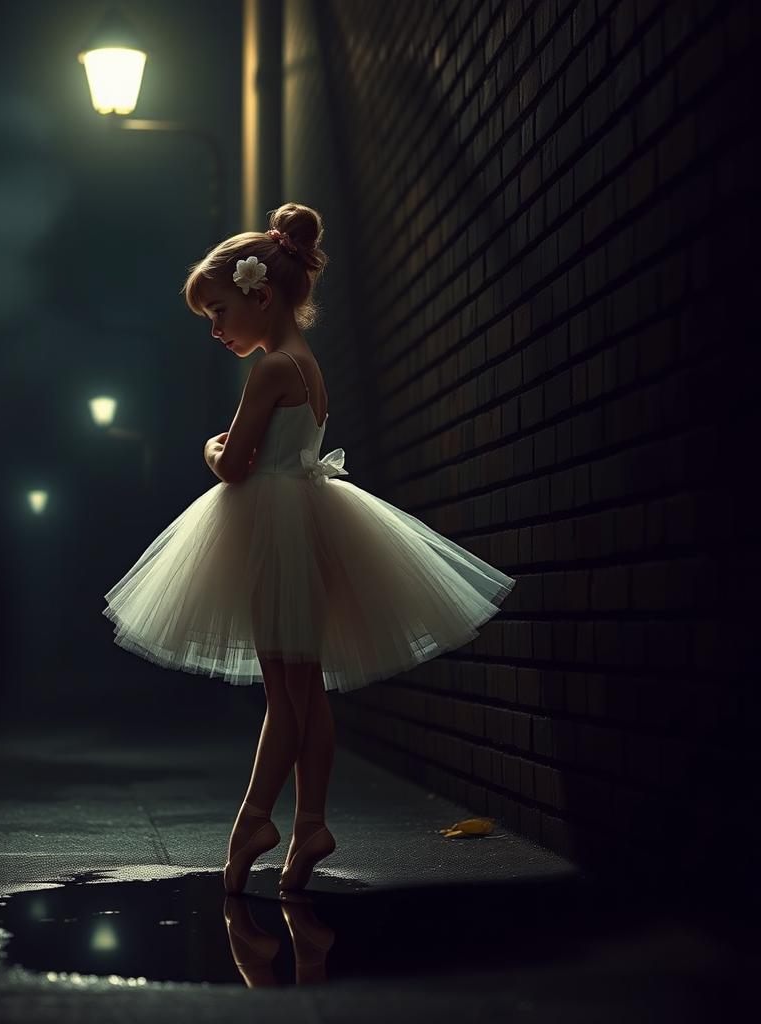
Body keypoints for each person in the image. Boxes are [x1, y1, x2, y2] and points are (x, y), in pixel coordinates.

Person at [102, 202, 516, 896]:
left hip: (275, 526)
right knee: (305, 690)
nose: (215, 329)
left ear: (260, 296)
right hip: (305, 518)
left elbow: (236, 465)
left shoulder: (269, 371)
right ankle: (311, 823)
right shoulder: (307, 364)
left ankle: (254, 820)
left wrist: (209, 447)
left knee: (286, 693)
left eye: (219, 312)